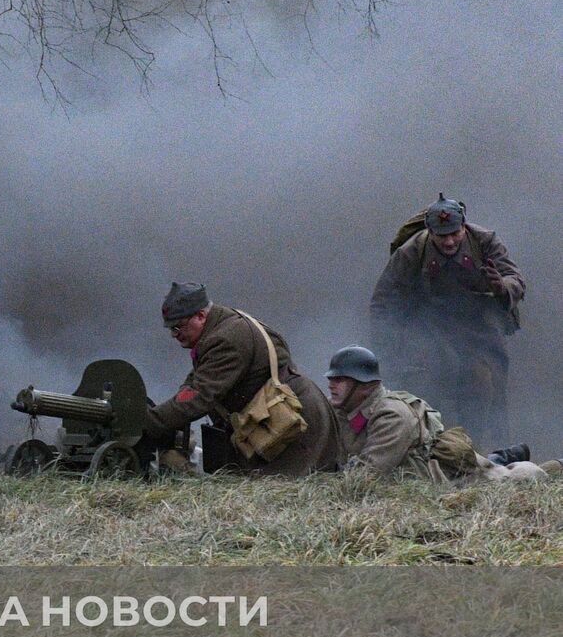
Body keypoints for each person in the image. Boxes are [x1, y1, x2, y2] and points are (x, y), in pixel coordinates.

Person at [370, 195, 523, 451]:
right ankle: (438, 452)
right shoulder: (411, 253)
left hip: (481, 329)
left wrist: (501, 287)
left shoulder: (485, 242)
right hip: (432, 328)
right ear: (430, 232)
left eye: (455, 233)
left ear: (464, 226)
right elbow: (383, 302)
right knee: (430, 390)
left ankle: (491, 453)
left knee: (487, 388)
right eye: (442, 235)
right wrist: (388, 349)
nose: (450, 241)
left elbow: (515, 278)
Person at [144, 282, 342, 476]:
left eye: (178, 328)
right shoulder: (220, 328)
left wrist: (147, 423)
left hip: (293, 422)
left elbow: (199, 396)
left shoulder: (225, 339)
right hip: (276, 415)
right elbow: (193, 385)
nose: (174, 335)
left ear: (201, 316)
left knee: (289, 494)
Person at [324, 345, 559, 483]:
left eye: (341, 379)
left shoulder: (391, 416)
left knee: (515, 479)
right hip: (431, 465)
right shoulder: (343, 408)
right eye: (331, 379)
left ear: (365, 386)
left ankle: (556, 466)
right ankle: (500, 456)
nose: (332, 385)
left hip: (449, 475)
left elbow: (366, 475)